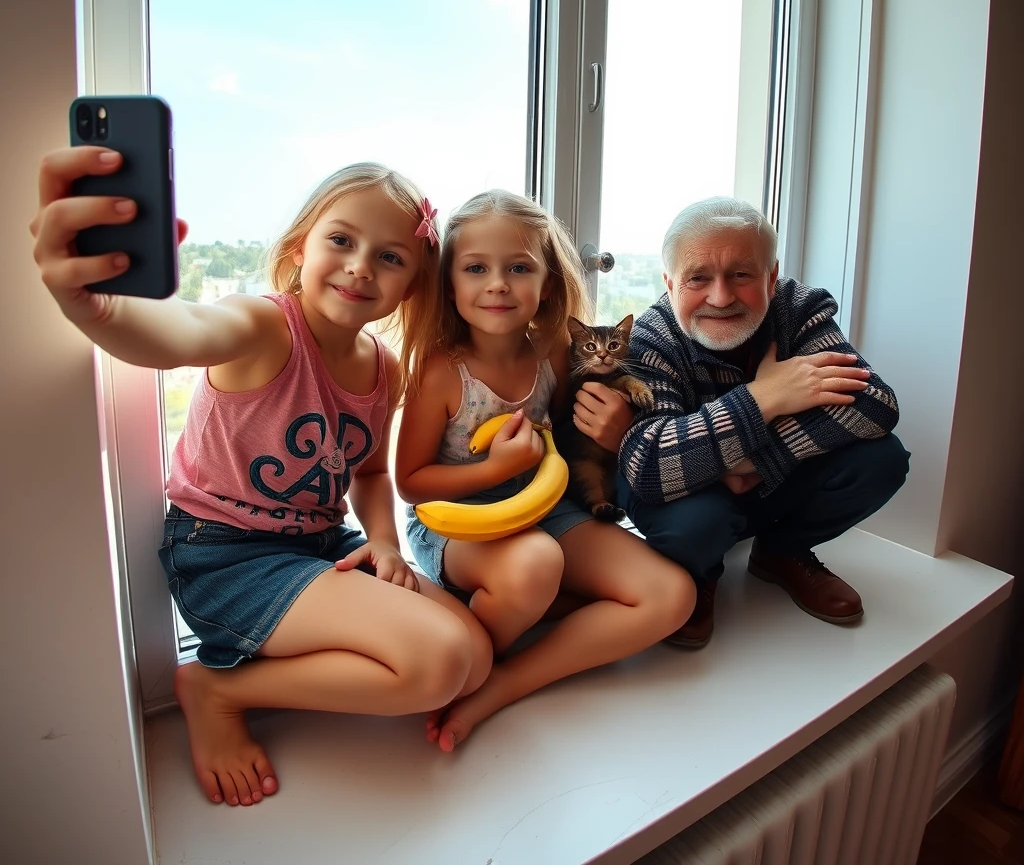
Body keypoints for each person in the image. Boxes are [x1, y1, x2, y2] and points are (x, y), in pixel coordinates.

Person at [30, 148, 493, 807]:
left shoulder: (384, 369)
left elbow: (368, 469)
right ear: (302, 247)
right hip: (225, 556)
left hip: (319, 550)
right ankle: (218, 690)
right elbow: (183, 330)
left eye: (391, 257)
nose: (362, 265)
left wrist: (384, 541)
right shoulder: (265, 326)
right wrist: (99, 309)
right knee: (440, 660)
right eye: (342, 240)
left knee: (472, 656)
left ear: (413, 283)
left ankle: (299, 657)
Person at [396, 189, 695, 751]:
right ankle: (471, 659)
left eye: (518, 267)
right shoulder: (441, 371)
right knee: (537, 565)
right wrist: (493, 471)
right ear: (449, 281)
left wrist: (623, 415)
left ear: (548, 281)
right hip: (457, 519)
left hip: (545, 505)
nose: (498, 283)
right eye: (476, 267)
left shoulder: (554, 352)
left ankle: (506, 680)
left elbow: (567, 435)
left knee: (671, 595)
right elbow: (411, 484)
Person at [573, 196, 909, 649]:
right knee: (694, 527)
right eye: (698, 278)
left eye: (742, 274)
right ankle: (700, 574)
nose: (721, 296)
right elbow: (651, 467)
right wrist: (764, 397)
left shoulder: (800, 310)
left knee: (881, 460)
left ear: (771, 277)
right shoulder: (652, 335)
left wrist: (750, 461)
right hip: (691, 494)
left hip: (749, 478)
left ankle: (781, 550)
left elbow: (875, 404)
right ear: (670, 283)